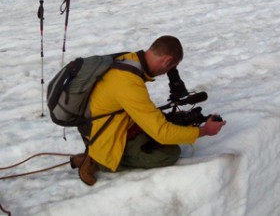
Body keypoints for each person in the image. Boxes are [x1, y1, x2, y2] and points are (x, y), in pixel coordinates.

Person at [71, 35, 226, 186]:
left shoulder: (129, 60)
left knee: (162, 123)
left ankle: (97, 153)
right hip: (102, 135)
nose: (167, 73)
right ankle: (98, 160)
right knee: (168, 154)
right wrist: (204, 131)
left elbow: (138, 107)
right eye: (170, 68)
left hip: (113, 123)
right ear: (166, 61)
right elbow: (162, 133)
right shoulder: (128, 83)